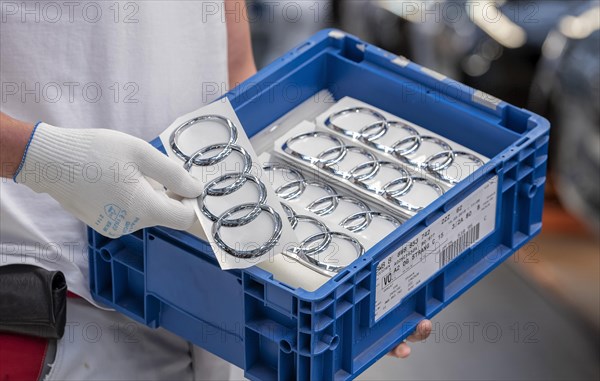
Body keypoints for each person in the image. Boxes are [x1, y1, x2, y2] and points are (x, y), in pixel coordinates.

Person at [0, 1, 431, 379]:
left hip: (204, 302)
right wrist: (41, 158)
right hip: (55, 304)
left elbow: (233, 67)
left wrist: (325, 287)